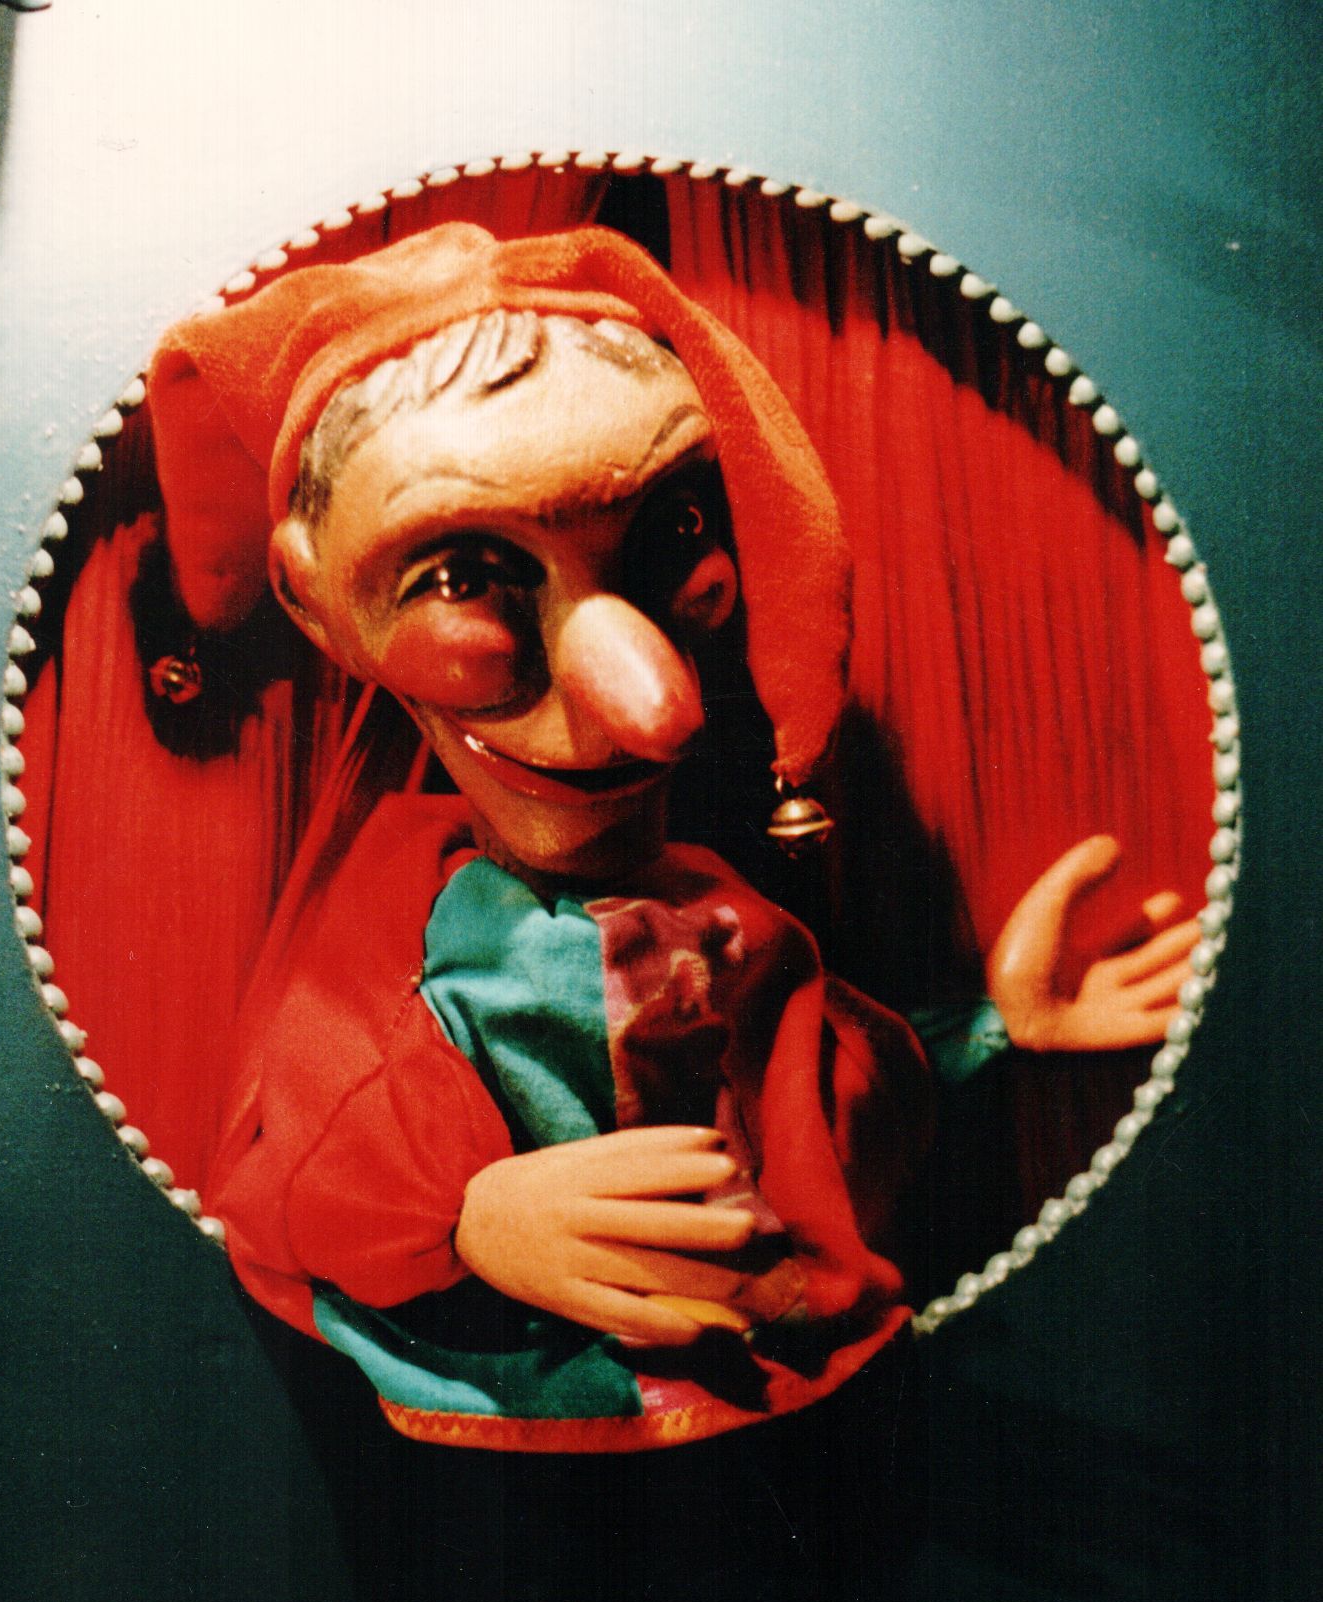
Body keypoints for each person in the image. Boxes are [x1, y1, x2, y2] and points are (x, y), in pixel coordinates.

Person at [145, 222, 1197, 1452]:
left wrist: (989, 1028)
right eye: (465, 576)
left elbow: (812, 1109)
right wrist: (467, 1223)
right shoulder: (398, 933)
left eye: (667, 539)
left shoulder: (723, 913)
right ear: (314, 599)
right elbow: (287, 1169)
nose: (649, 708)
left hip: (802, 1427)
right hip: (511, 1458)